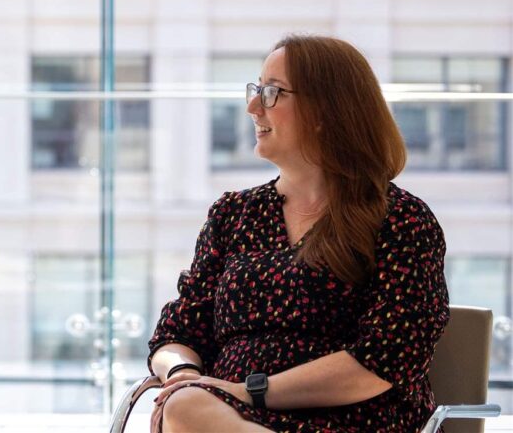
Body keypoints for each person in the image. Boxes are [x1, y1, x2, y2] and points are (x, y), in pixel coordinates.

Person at [147, 34, 449, 433]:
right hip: (227, 414)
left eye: (273, 92)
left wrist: (248, 390)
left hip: (357, 419)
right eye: (256, 90)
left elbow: (386, 358)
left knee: (188, 411)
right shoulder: (233, 214)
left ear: (325, 110)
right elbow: (176, 332)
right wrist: (183, 373)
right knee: (186, 407)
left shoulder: (401, 220)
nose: (253, 106)